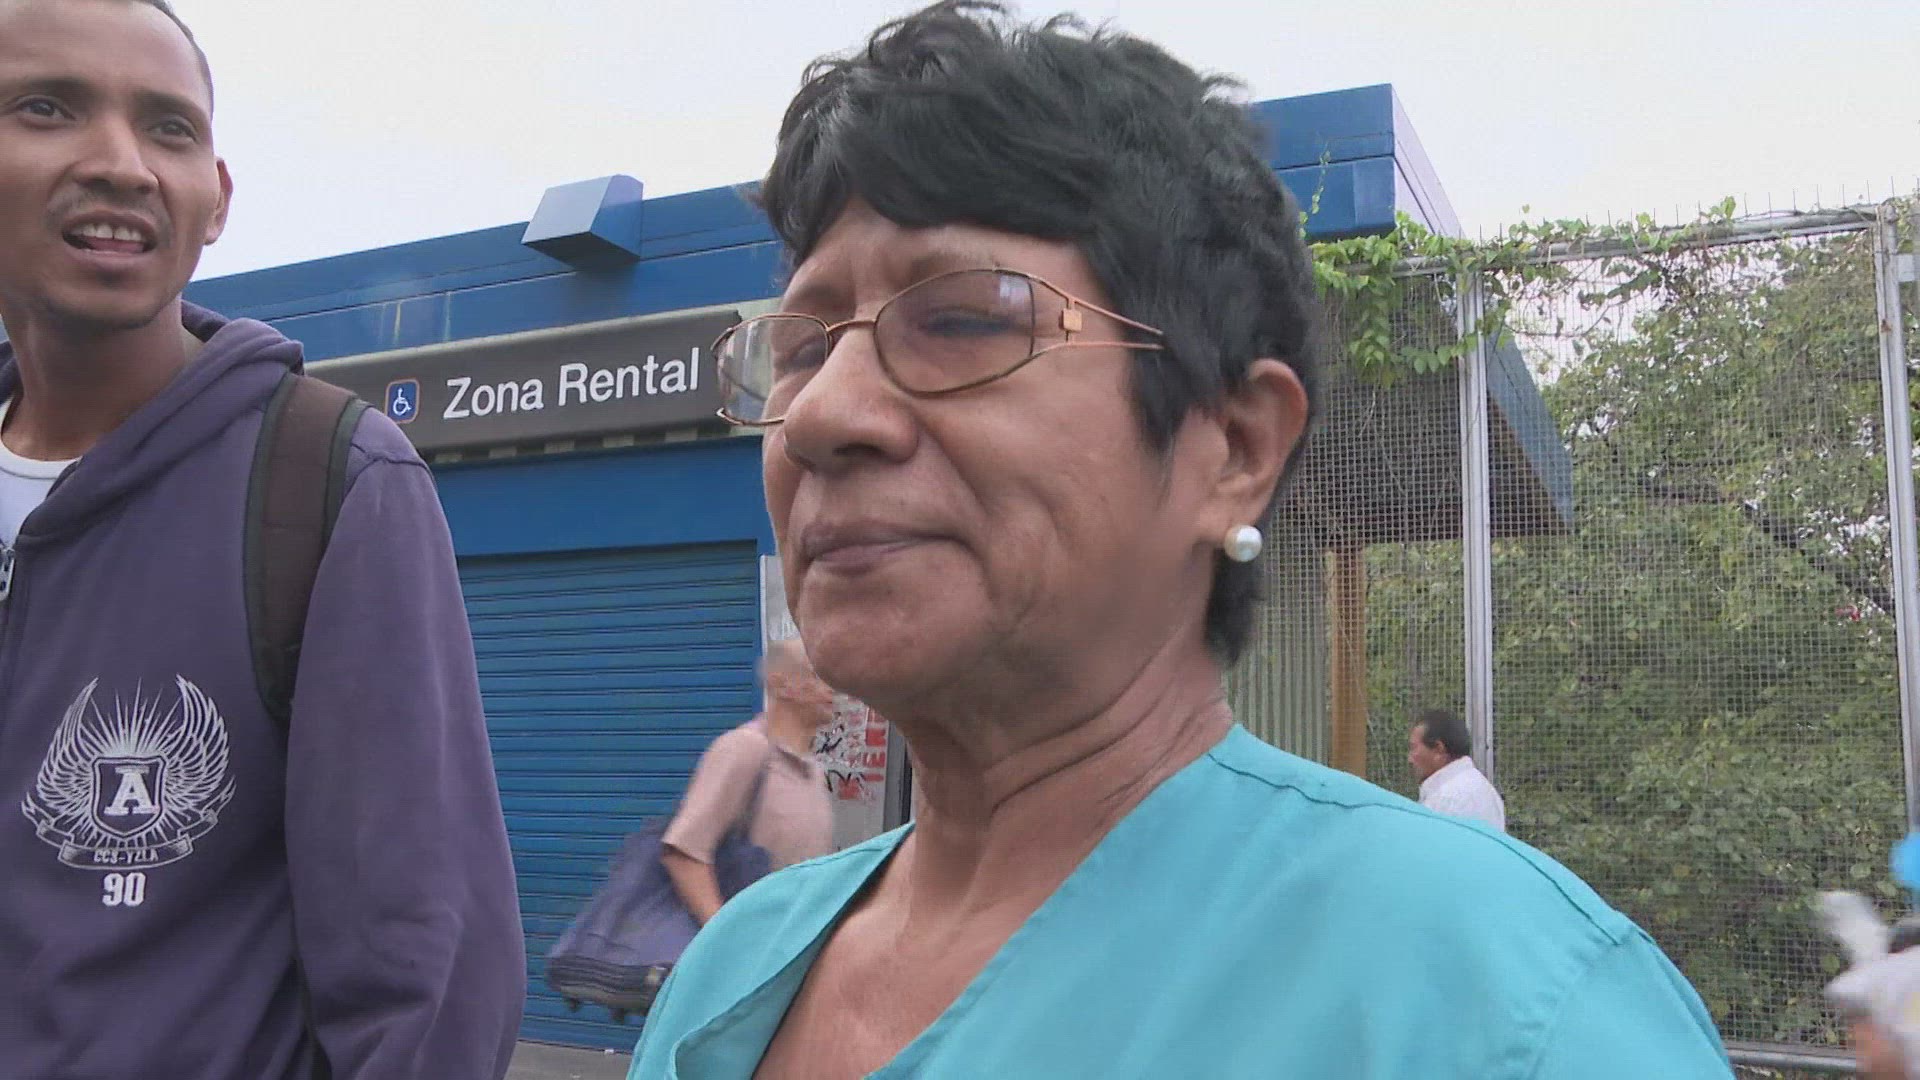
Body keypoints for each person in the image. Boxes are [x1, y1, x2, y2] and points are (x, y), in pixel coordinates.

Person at [627, 3, 1732, 1077]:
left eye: (962, 318)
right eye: (805, 349)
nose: (820, 414)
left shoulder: (1498, 1005)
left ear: (1235, 449)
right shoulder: (734, 966)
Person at [0, 2, 524, 1077]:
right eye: (48, 108)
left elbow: (425, 978)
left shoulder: (330, 480)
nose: (123, 165)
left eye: (170, 128)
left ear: (218, 198)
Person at [662, 637, 837, 925]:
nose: (831, 688)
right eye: (817, 675)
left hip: (792, 937)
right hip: (751, 942)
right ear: (781, 683)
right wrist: (727, 937)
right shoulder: (744, 748)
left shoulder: (812, 770)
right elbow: (683, 853)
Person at [1408, 706, 1507, 831]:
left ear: (1438, 749)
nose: (1410, 759)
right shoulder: (1487, 791)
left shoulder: (1445, 800)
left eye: (1414, 748)